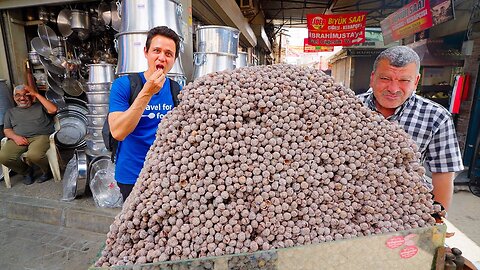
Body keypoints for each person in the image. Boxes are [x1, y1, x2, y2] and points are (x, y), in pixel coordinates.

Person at [357, 46, 464, 212]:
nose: (393, 89)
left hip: (404, 210)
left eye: (404, 81)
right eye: (385, 78)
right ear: (372, 78)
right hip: (350, 206)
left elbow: (444, 173)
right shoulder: (349, 107)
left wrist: (437, 218)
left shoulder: (436, 117)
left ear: (416, 81)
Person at [108, 26, 181, 200]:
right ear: (146, 52)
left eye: (169, 54)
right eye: (157, 50)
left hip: (165, 175)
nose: (162, 57)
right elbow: (118, 132)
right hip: (132, 175)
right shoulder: (124, 85)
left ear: (174, 59)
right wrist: (146, 93)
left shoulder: (176, 89)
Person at [0, 84, 58, 185]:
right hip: (19, 138)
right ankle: (26, 171)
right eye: (18, 95)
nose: (22, 98)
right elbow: (7, 130)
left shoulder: (40, 106)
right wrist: (15, 137)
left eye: (26, 94)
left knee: (34, 155)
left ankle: (46, 171)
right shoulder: (10, 112)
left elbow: (53, 110)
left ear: (31, 96)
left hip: (41, 136)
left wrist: (36, 94)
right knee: (4, 156)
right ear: (14, 98)